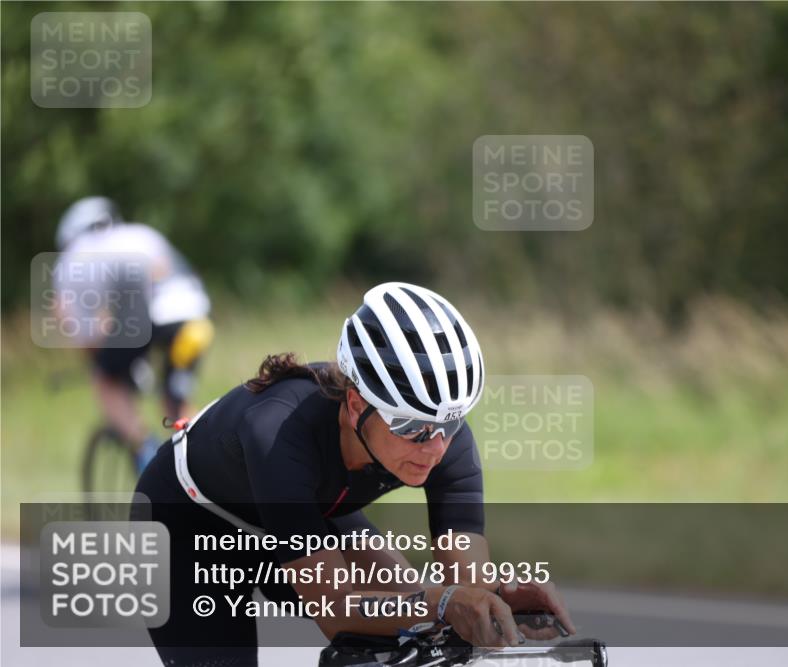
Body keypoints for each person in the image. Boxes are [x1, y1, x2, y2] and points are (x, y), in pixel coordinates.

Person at [132, 282, 575, 667]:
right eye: (412, 427)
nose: (436, 447)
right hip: (190, 527)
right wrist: (443, 602)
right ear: (357, 404)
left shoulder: (443, 437)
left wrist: (499, 598)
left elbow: (468, 588)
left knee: (425, 621)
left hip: (310, 511)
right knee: (420, 607)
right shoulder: (278, 432)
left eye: (450, 424)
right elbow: (337, 611)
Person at [53, 196, 213, 471]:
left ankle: (147, 459)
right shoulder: (142, 234)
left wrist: (101, 363)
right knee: (175, 404)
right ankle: (209, 467)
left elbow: (85, 333)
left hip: (147, 321)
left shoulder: (72, 259)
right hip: (197, 319)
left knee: (106, 381)